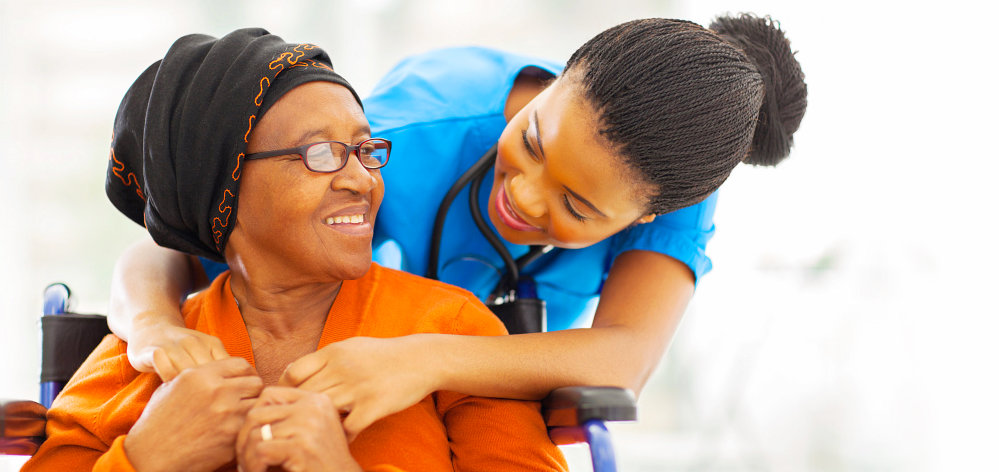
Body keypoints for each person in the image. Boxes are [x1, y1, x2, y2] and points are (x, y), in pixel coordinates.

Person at [107, 14, 809, 437]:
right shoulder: (410, 132)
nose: (527, 200)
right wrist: (153, 329)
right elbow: (161, 250)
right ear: (558, 80)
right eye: (531, 142)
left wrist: (421, 358)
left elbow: (623, 360)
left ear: (647, 216)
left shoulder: (670, 185)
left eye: (578, 208)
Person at [22, 28, 567, 472]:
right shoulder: (138, 358)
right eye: (321, 153)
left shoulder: (451, 329)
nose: (363, 179)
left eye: (364, 148)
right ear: (222, 190)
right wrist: (145, 459)